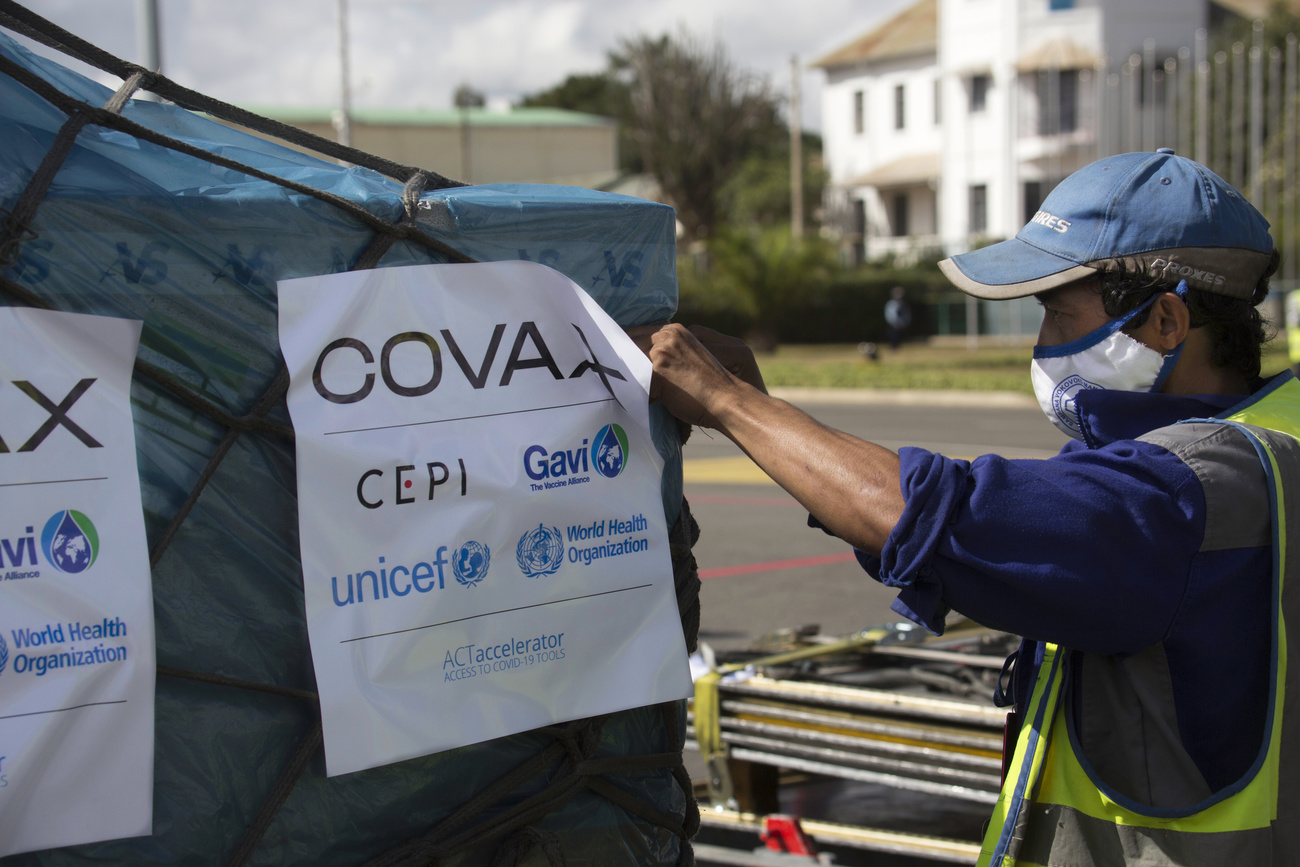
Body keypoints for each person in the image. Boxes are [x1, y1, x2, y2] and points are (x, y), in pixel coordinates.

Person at [639, 149, 1300, 864]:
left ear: (1166, 321)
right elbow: (985, 554)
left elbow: (934, 517)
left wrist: (729, 402)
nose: (1042, 345)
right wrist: (768, 415)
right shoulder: (1268, 436)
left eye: (1055, 314)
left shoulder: (1187, 493)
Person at [883, 285, 912, 350]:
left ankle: (898, 347)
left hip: (902, 325)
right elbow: (890, 315)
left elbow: (906, 315)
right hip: (893, 325)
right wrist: (895, 322)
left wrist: (904, 322)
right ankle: (893, 348)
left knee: (900, 338)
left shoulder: (904, 304)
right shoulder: (891, 304)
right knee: (893, 337)